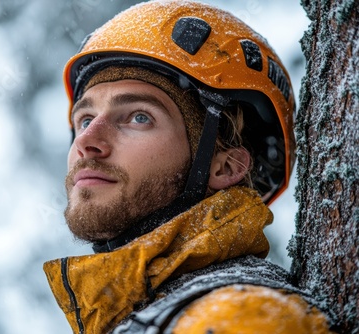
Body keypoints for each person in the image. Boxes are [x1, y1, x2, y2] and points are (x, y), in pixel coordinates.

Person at [43, 1, 335, 333]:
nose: (86, 141)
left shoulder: (241, 318)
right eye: (84, 120)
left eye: (140, 117)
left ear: (225, 167)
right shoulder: (164, 313)